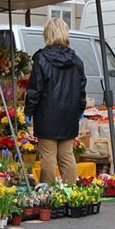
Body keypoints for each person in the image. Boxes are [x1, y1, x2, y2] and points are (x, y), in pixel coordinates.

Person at [24, 18, 87, 184]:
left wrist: (28, 111)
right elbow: (81, 89)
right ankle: (70, 193)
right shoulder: (76, 60)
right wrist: (80, 109)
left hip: (47, 115)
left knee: (48, 157)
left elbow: (35, 89)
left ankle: (50, 195)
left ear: (47, 34)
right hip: (69, 115)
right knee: (67, 156)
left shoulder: (42, 58)